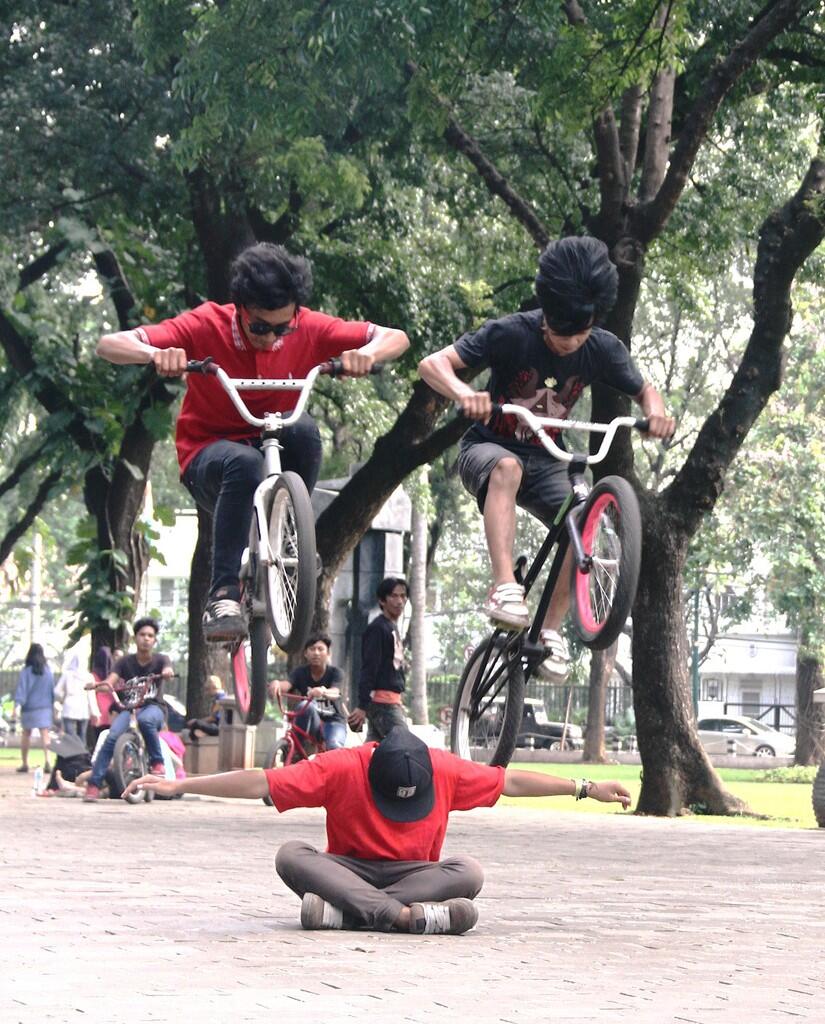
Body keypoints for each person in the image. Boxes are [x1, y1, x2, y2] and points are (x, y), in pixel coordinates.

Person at [96, 242, 410, 642]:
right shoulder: (206, 324)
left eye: (284, 328)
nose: (273, 339)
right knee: (244, 463)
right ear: (239, 309)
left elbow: (394, 337)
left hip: (273, 437)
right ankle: (223, 594)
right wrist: (156, 355)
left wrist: (365, 354)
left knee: (305, 431)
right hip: (209, 455)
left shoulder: (311, 327)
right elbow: (110, 345)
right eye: (260, 327)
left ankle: (291, 530)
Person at [419, 236, 675, 680]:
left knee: (583, 516)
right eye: (560, 334)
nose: (569, 344)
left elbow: (644, 389)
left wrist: (655, 412)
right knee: (507, 468)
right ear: (545, 316)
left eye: (579, 334)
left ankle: (549, 632)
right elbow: (432, 365)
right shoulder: (509, 332)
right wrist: (465, 393)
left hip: (549, 459)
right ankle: (504, 587)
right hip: (488, 448)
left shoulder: (602, 348)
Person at [124, 726, 631, 934]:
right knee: (291, 854)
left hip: (413, 874)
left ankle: (348, 916)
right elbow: (262, 780)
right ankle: (403, 918)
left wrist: (586, 787)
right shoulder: (340, 766)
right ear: (372, 773)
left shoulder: (444, 766)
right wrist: (180, 785)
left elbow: (512, 780)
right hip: (350, 867)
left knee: (469, 871)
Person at [83, 617, 174, 802]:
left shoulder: (161, 659)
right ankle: (94, 784)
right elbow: (110, 681)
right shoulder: (124, 662)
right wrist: (99, 685)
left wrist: (167, 672)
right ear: (135, 638)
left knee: (145, 720)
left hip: (153, 707)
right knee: (111, 736)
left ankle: (157, 763)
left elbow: (168, 669)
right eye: (142, 635)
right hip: (129, 708)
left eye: (150, 635)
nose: (146, 639)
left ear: (154, 640)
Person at [348, 578, 409, 741]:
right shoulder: (377, 629)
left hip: (389, 702)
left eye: (403, 596)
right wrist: (362, 705)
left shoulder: (391, 628)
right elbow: (369, 667)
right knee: (406, 747)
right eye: (394, 596)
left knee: (374, 753)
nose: (399, 601)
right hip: (383, 704)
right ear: (382, 600)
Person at [271, 634, 348, 752]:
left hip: (334, 721)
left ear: (328, 654)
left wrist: (323, 691)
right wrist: (277, 684)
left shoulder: (336, 673)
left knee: (334, 748)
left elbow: (335, 692)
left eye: (320, 649)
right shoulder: (300, 672)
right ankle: (296, 747)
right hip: (312, 722)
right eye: (312, 649)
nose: (316, 653)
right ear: (306, 654)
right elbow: (287, 685)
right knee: (304, 706)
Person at [13, 643, 55, 773]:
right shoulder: (48, 672)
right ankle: (48, 761)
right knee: (45, 734)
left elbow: (22, 690)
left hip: (29, 708)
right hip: (45, 708)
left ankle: (25, 763)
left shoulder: (26, 672)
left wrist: (17, 706)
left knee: (26, 734)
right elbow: (52, 691)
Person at [54, 652, 93, 743]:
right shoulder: (88, 676)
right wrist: (94, 711)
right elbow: (91, 695)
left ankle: (72, 755)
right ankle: (82, 755)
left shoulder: (67, 674)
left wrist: (62, 697)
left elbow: (57, 691)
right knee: (82, 735)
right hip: (83, 706)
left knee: (70, 734)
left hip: (69, 705)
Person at [86, 646, 115, 751]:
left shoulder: (92, 676)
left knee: (98, 741)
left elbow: (91, 695)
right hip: (112, 711)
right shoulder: (113, 676)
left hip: (99, 711)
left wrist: (94, 712)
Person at [185, 675, 226, 740]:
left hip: (220, 728)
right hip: (218, 726)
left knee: (196, 723)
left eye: (208, 689)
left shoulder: (220, 700)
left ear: (213, 687)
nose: (207, 692)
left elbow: (213, 718)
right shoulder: (219, 698)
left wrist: (197, 721)